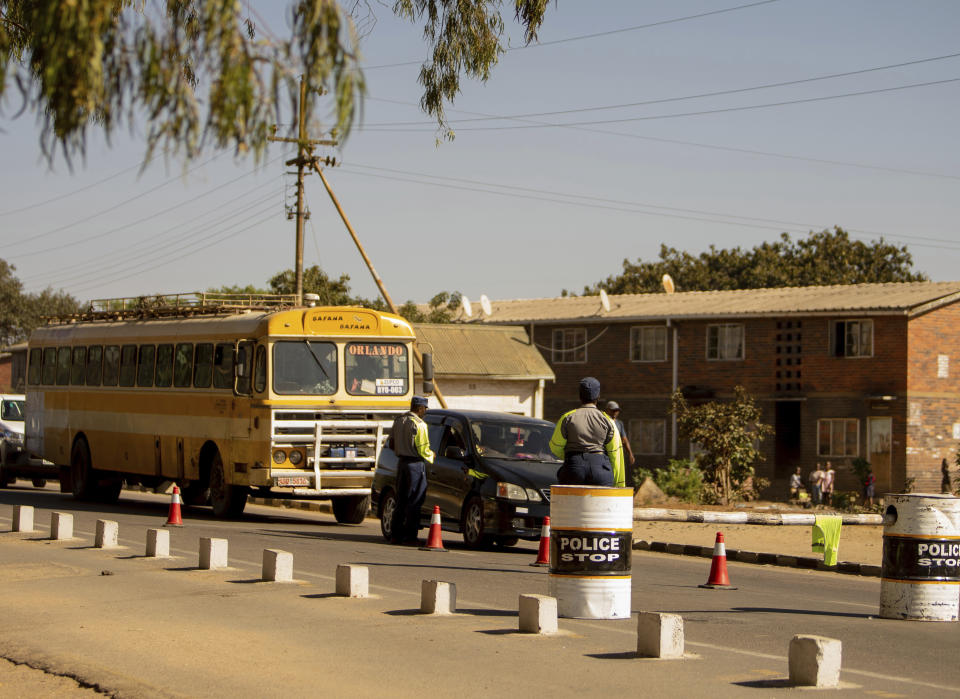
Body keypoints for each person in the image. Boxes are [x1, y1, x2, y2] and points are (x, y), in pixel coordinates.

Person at [549, 377, 624, 487]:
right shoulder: (608, 420)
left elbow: (555, 447)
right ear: (598, 396)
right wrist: (619, 486)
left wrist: (571, 459)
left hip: (573, 469)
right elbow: (616, 454)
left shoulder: (567, 418)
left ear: (580, 396)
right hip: (600, 470)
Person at [387, 396, 435, 545]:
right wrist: (431, 455)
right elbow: (422, 448)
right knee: (415, 500)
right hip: (415, 465)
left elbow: (391, 443)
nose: (425, 412)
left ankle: (395, 535)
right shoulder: (419, 425)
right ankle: (410, 536)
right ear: (420, 408)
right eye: (424, 409)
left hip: (401, 463)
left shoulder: (399, 421)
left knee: (400, 500)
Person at [603, 401, 636, 469]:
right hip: (605, 454)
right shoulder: (603, 422)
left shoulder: (619, 423)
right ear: (607, 410)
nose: (615, 412)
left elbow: (624, 439)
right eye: (613, 410)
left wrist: (630, 453)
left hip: (616, 454)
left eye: (617, 411)